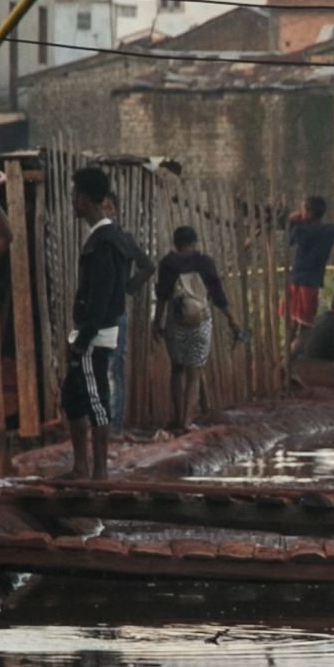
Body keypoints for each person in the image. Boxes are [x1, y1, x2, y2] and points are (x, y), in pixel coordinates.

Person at [63, 164, 146, 481]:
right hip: (92, 333)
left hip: (93, 337)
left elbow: (100, 296)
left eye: (74, 195)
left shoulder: (104, 241)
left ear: (83, 199)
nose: (72, 201)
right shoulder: (109, 237)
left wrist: (83, 339)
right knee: (72, 397)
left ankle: (98, 473)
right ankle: (82, 468)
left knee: (95, 400)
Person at [154, 224, 230, 430]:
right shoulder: (205, 262)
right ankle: (188, 422)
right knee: (194, 374)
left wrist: (156, 324)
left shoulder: (168, 263)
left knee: (177, 369)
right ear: (195, 243)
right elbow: (218, 295)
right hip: (200, 324)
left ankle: (178, 418)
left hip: (175, 323)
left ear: (176, 244)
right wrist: (232, 321)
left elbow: (161, 297)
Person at [282, 194, 334, 337]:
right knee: (305, 326)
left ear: (309, 213)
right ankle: (293, 355)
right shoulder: (330, 230)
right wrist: (302, 222)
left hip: (296, 279)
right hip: (311, 282)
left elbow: (290, 241)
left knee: (293, 323)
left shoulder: (301, 230)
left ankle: (289, 356)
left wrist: (293, 222)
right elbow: (318, 230)